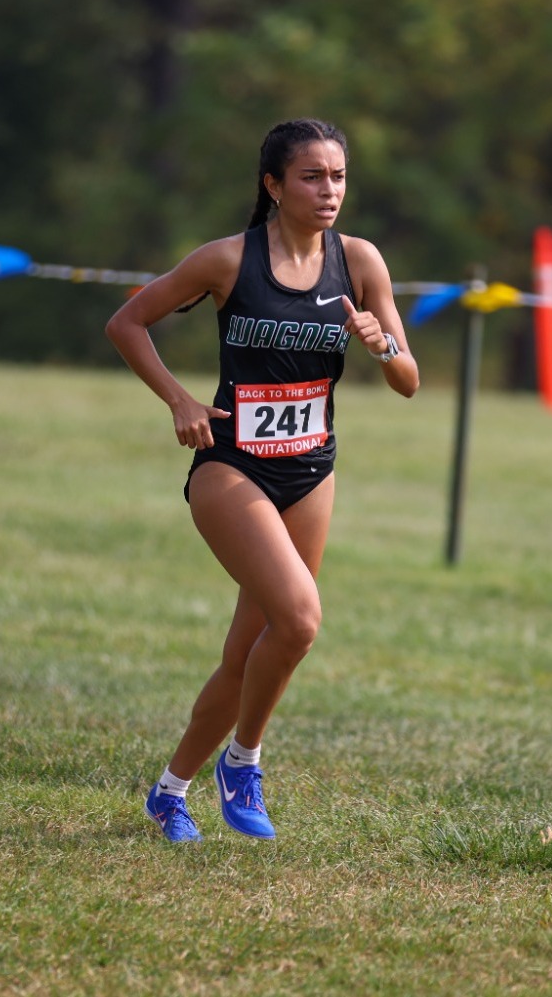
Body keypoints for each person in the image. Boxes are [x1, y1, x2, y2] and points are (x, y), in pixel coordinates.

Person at [106, 118, 419, 843]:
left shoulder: (360, 260)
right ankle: (243, 762)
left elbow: (407, 379)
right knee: (301, 619)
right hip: (232, 466)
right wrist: (180, 400)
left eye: (337, 176)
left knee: (248, 651)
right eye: (311, 176)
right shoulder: (225, 260)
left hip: (312, 470)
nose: (329, 190)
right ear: (272, 185)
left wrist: (382, 344)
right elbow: (126, 322)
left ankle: (169, 791)